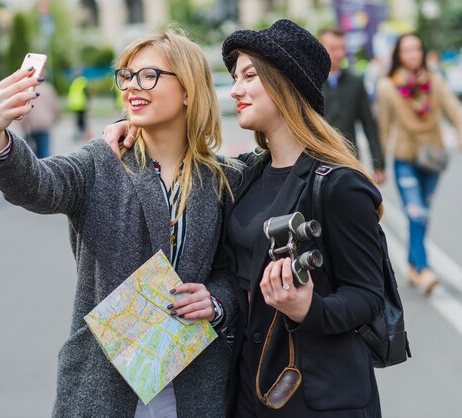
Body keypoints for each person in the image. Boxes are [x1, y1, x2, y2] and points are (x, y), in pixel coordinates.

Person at [105, 19, 386, 418]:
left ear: (286, 84)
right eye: (235, 77)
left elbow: (369, 297)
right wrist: (130, 127)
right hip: (250, 393)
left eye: (249, 75)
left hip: (320, 399)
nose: (235, 89)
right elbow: (230, 272)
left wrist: (308, 308)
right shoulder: (244, 176)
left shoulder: (338, 185)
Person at [0, 29, 238, 417]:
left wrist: (218, 302)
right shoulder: (102, 161)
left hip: (192, 387)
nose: (133, 85)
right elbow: (37, 186)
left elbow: (233, 272)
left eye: (149, 75)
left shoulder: (222, 178)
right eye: (127, 76)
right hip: (103, 385)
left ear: (188, 90)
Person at [376, 33, 462, 295]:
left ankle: (412, 262)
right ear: (399, 54)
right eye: (407, 49)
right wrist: (379, 165)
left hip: (433, 158)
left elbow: (453, 110)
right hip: (404, 159)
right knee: (416, 212)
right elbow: (383, 127)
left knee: (421, 215)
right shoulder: (388, 87)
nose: (413, 54)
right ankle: (423, 269)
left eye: (417, 49)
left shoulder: (434, 80)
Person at [318, 27, 386, 185]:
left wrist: (378, 163)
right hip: (318, 159)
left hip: (349, 159)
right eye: (333, 48)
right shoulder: (310, 82)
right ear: (319, 48)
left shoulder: (355, 82)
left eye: (342, 48)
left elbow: (369, 124)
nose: (339, 53)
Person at [19, 78, 60, 158]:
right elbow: (55, 106)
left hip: (31, 126)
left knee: (31, 154)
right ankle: (45, 169)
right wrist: (53, 119)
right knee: (45, 152)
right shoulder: (48, 88)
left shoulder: (27, 90)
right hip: (45, 124)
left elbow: (23, 109)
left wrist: (23, 125)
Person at [67, 70, 91, 140]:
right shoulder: (83, 81)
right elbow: (86, 92)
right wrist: (88, 102)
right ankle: (84, 134)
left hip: (74, 104)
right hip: (81, 104)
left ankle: (78, 134)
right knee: (83, 120)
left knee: (77, 121)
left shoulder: (74, 82)